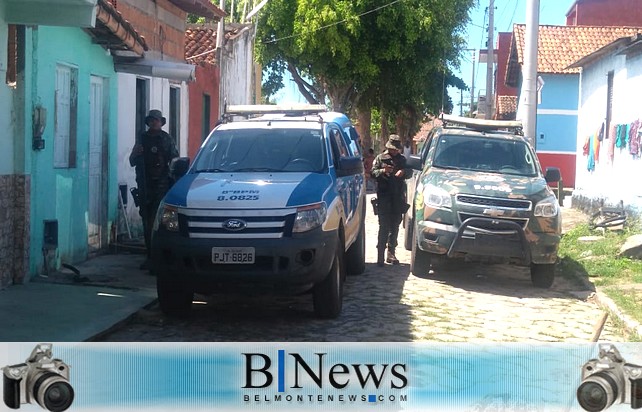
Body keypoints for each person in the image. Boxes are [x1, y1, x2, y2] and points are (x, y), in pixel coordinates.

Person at [129, 109, 179, 270]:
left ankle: (161, 258)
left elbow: (175, 161)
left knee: (160, 222)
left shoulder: (166, 139)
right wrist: (136, 153)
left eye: (156, 120)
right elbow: (132, 161)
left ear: (161, 122)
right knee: (146, 222)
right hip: (145, 186)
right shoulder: (142, 139)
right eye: (151, 120)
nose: (154, 122)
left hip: (162, 187)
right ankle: (150, 256)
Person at [371, 134, 412, 266]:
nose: (394, 151)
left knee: (395, 226)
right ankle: (380, 255)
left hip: (398, 198)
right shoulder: (380, 158)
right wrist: (383, 171)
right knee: (383, 226)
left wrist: (403, 172)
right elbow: (372, 173)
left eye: (396, 149)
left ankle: (391, 252)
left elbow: (410, 172)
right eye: (392, 149)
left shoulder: (402, 160)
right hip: (384, 197)